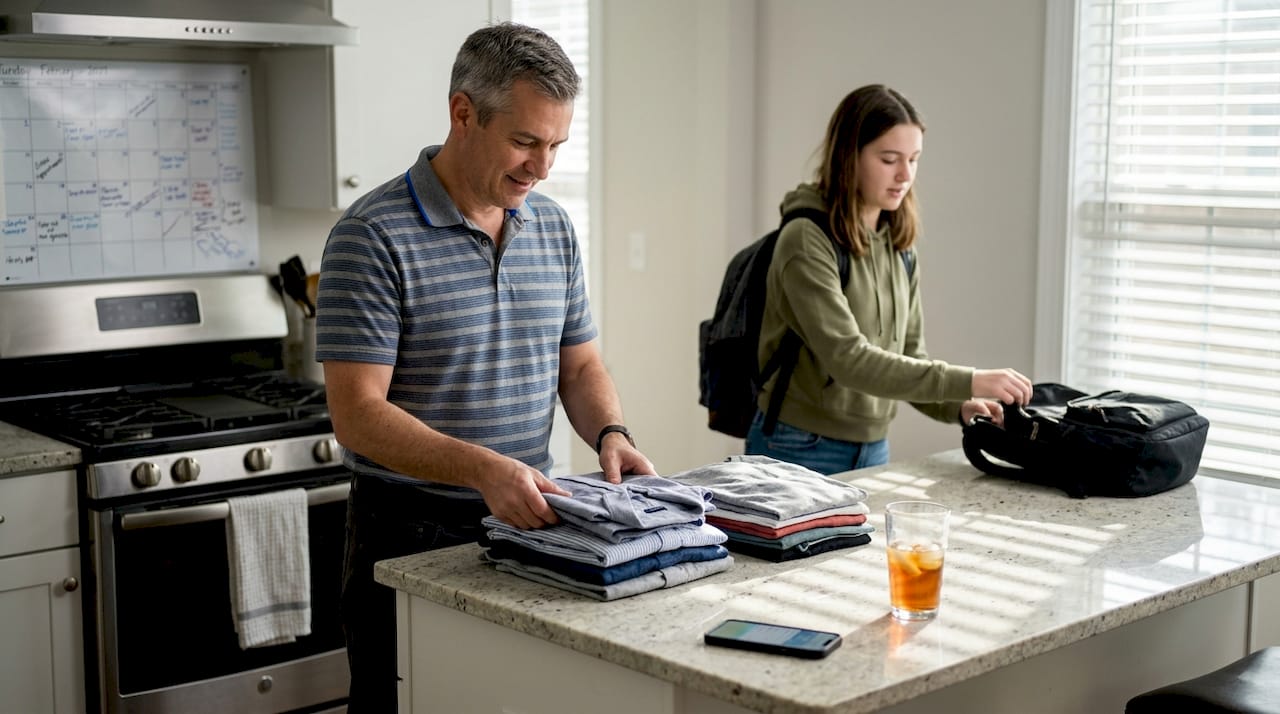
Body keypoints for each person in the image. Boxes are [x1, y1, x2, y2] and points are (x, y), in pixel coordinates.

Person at [314, 22, 655, 712]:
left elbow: (581, 365)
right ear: (462, 113)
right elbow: (357, 414)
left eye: (556, 145)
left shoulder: (552, 227)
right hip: (407, 534)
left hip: (531, 527)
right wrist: (481, 468)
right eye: (525, 141)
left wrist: (612, 435)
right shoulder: (371, 234)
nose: (542, 166)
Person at [745, 84, 1032, 475]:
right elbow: (849, 360)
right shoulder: (806, 239)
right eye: (889, 159)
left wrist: (957, 406)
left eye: (914, 160)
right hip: (799, 445)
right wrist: (972, 381)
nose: (905, 175)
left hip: (873, 447)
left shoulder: (898, 244)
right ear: (850, 156)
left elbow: (910, 357)